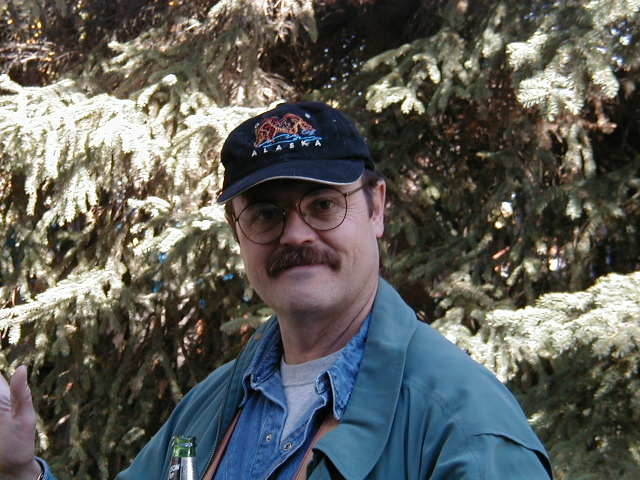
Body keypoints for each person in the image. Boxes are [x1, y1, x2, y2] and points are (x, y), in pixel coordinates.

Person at [0, 101, 553, 479]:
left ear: (376, 208)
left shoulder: (465, 428)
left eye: (323, 205)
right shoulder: (210, 407)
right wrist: (19, 470)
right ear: (237, 231)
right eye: (266, 213)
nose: (295, 234)